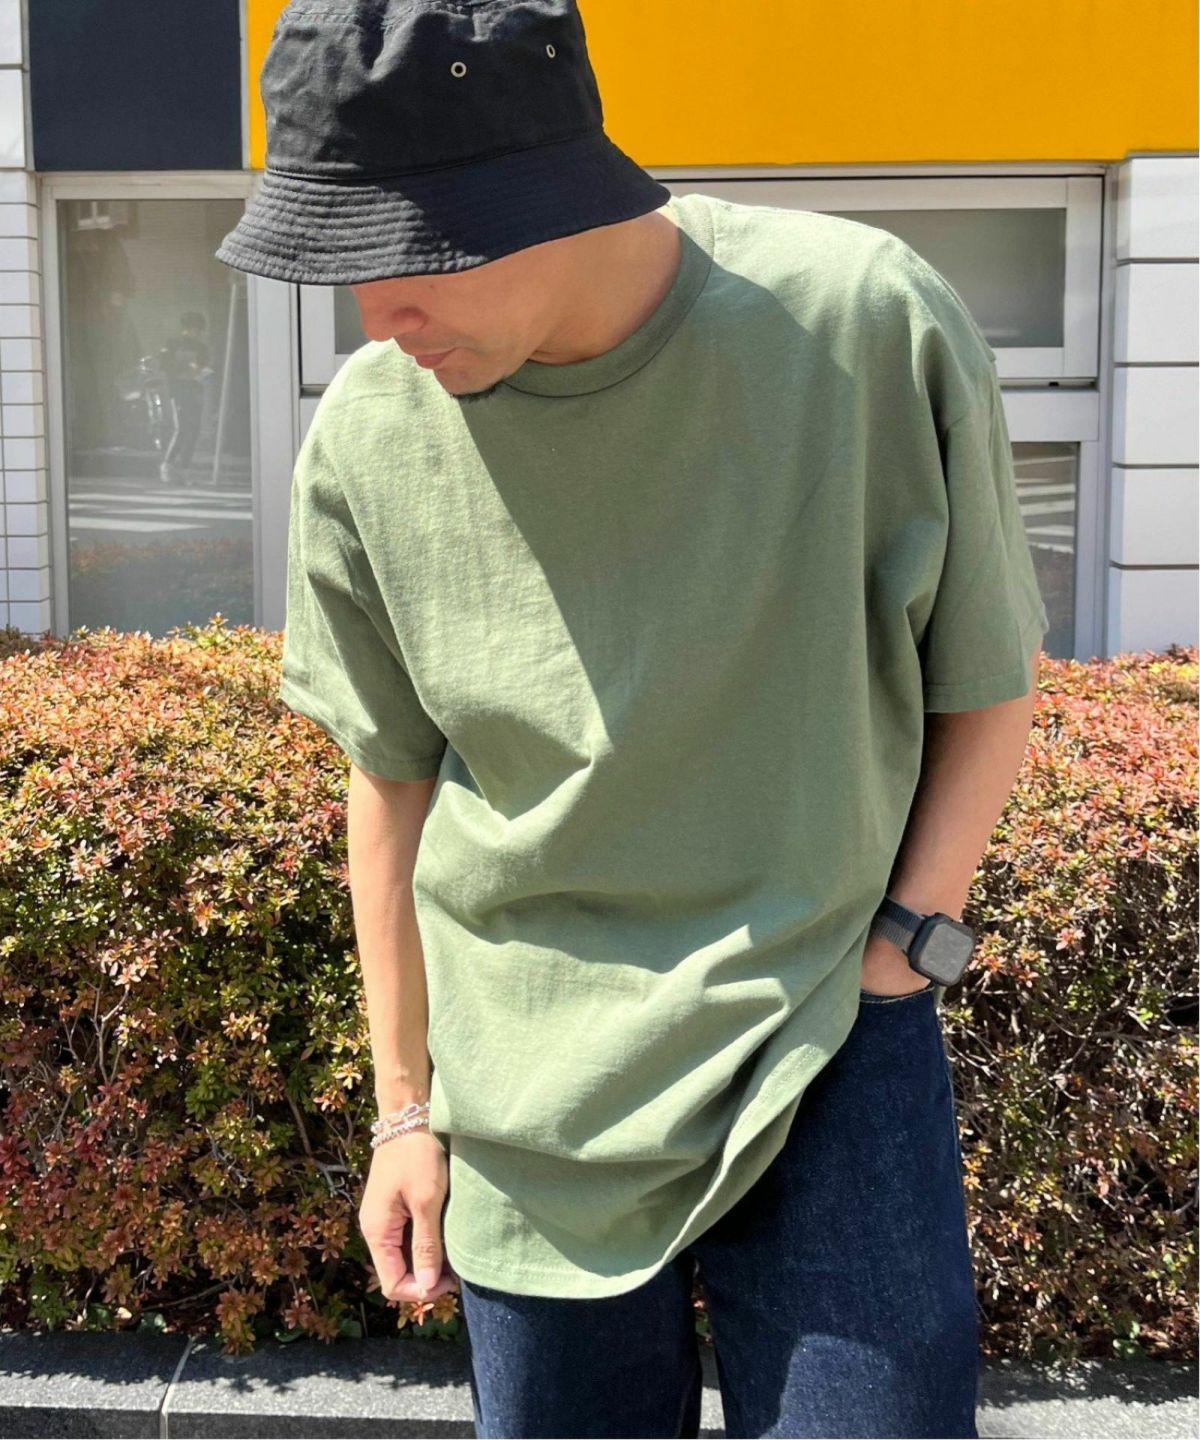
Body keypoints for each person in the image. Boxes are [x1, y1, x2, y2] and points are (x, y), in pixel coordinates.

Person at [216, 3, 1049, 1436]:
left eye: (404, 250)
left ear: (549, 190)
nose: (376, 316)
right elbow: (391, 781)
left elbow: (985, 681)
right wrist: (405, 1111)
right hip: (529, 1086)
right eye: (340, 264)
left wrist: (906, 952)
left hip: (825, 1035)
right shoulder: (368, 432)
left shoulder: (862, 321)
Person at [158, 310, 211, 483]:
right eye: (193, 329)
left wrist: (200, 371)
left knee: (194, 430)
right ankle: (168, 465)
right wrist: (182, 367)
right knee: (181, 428)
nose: (196, 332)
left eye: (198, 330)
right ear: (186, 328)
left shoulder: (201, 347)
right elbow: (164, 365)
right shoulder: (172, 344)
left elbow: (205, 366)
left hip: (195, 389)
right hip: (179, 389)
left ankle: (184, 468)